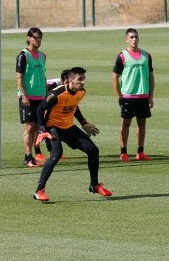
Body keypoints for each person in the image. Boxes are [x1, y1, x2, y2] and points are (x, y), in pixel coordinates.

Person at [33, 67, 112, 202]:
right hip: (52, 127)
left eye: (83, 79)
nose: (83, 82)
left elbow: (74, 105)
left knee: (93, 150)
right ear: (70, 80)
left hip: (68, 127)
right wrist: (42, 130)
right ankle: (39, 190)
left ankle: (94, 185)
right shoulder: (56, 93)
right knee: (56, 154)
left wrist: (83, 122)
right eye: (80, 79)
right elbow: (40, 109)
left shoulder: (81, 92)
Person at [112, 28, 154, 162]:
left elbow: (151, 76)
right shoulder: (122, 56)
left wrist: (150, 96)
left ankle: (140, 152)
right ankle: (123, 152)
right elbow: (114, 77)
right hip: (128, 96)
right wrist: (119, 95)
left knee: (142, 124)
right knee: (126, 123)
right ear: (126, 39)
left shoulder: (146, 56)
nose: (134, 39)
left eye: (136, 37)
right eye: (131, 37)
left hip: (143, 96)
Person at [16, 27, 48, 167]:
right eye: (35, 37)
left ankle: (34, 155)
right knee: (29, 127)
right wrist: (24, 95)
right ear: (29, 38)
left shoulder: (43, 56)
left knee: (36, 126)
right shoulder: (23, 55)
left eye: (40, 37)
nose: (38, 40)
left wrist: (46, 95)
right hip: (27, 97)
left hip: (40, 97)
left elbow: (43, 76)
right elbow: (19, 76)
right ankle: (28, 157)